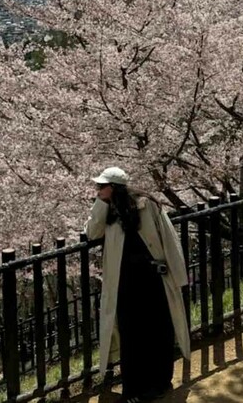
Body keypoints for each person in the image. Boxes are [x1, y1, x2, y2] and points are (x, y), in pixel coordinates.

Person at [85, 166, 191, 403]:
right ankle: (133, 389)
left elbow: (168, 238)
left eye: (102, 186)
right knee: (131, 335)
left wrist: (178, 275)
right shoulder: (109, 212)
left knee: (157, 332)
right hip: (124, 283)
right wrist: (100, 203)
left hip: (152, 279)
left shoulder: (147, 205)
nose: (98, 190)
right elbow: (92, 233)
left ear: (116, 188)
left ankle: (159, 384)